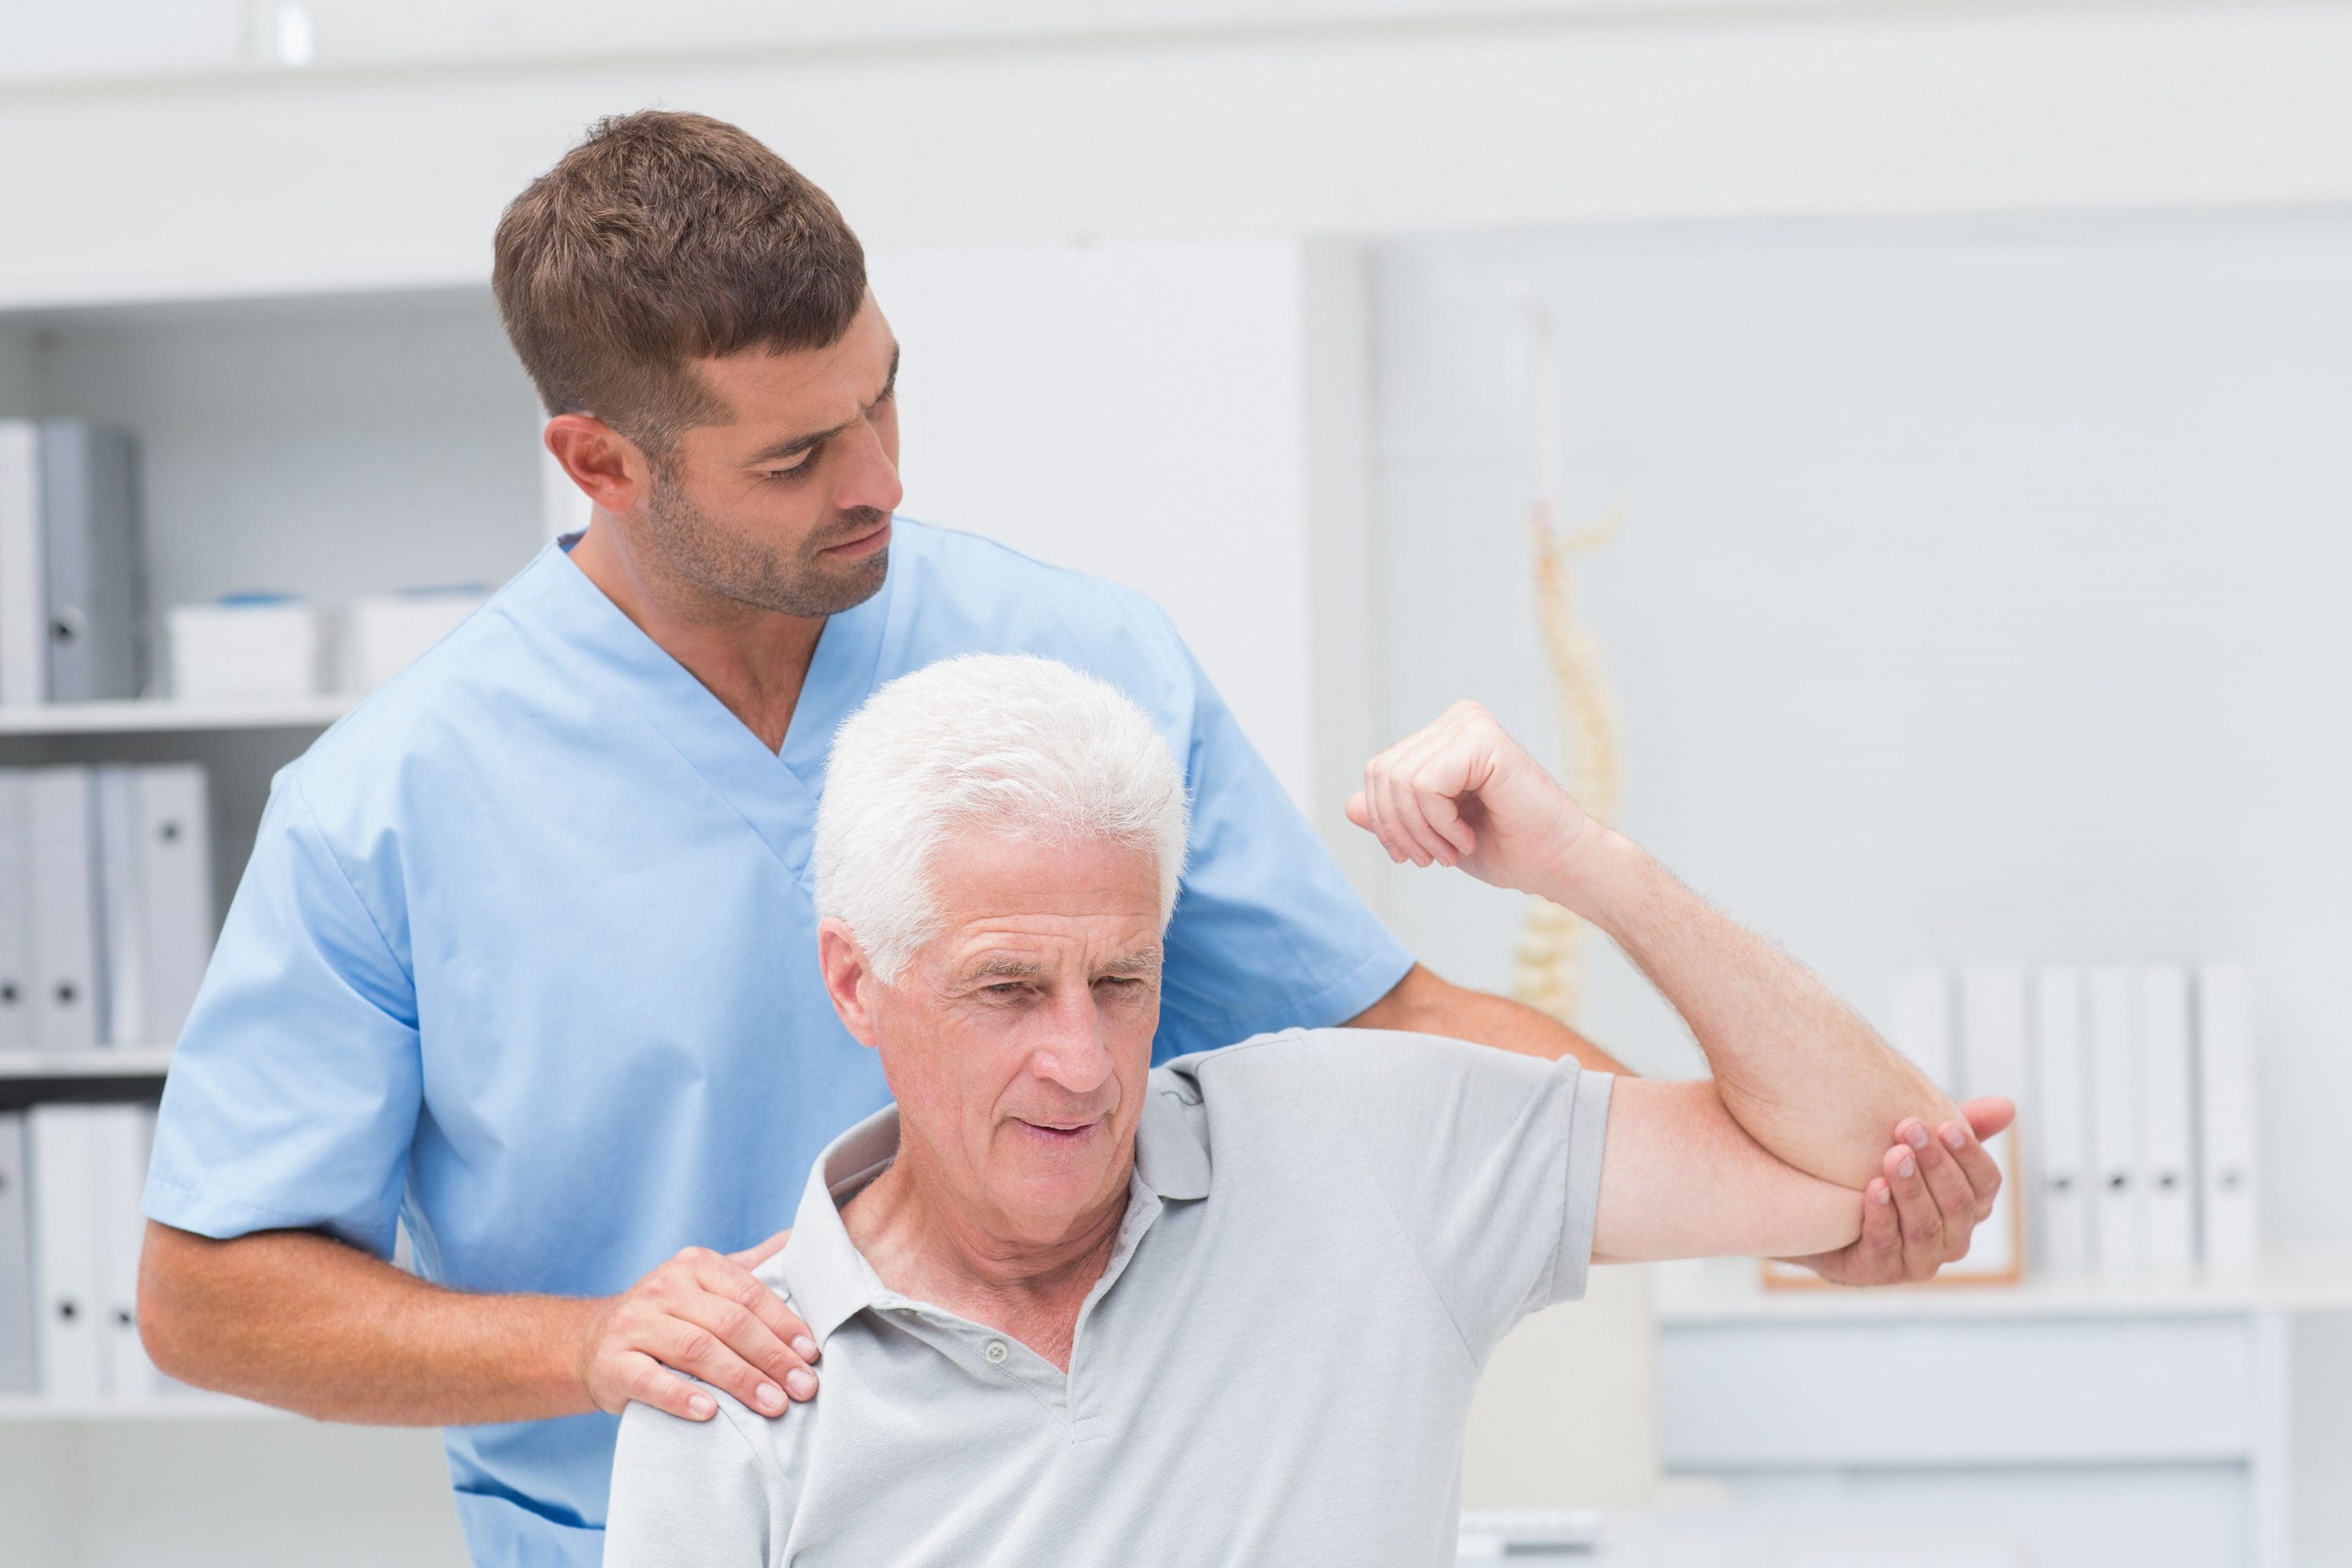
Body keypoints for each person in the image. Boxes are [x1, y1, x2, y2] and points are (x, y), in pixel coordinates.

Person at [133, 111, 2006, 1565]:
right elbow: (208, 1295)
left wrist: (1742, 1186)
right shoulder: (393, 805)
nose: (877, 480)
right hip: (659, 1511)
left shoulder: (1073, 660)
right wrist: (603, 1343)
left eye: (883, 400)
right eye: (794, 460)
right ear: (601, 461)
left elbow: (1385, 1028)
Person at [601, 656, 2005, 1566]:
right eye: (1009, 990)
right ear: (860, 982)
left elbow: (1857, 1158)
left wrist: (1592, 865)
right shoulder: (731, 1389)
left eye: (1122, 979)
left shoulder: (1361, 1146)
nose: (1084, 1062)